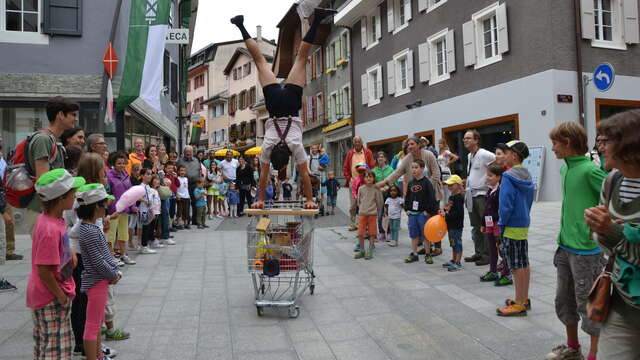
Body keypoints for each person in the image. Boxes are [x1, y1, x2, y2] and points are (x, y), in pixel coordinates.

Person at [231, 10, 336, 210]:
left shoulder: (295, 145)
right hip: (274, 105)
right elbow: (263, 176)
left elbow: (305, 175)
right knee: (260, 60)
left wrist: (309, 200)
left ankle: (319, 19)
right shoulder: (267, 147)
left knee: (301, 58)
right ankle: (240, 25)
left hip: (290, 105)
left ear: (288, 156)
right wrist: (260, 199)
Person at [545, 122, 607, 360]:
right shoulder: (565, 169)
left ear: (568, 142)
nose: (552, 149)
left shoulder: (590, 171)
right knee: (564, 300)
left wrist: (592, 228)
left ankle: (594, 354)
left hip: (586, 251)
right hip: (564, 247)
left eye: (555, 143)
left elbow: (612, 199)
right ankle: (573, 348)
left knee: (588, 304)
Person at [584, 110, 640, 359]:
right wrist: (604, 232)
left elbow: (611, 237)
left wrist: (613, 232)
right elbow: (603, 244)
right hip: (620, 303)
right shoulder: (613, 181)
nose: (599, 147)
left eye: (606, 141)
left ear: (630, 144)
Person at [27, 168, 85, 360]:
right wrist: (60, 296)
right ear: (60, 198)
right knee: (56, 350)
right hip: (51, 296)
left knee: (50, 343)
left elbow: (59, 252)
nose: (75, 196)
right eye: (72, 193)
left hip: (56, 291)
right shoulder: (49, 229)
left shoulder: (55, 220)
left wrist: (71, 254)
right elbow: (44, 270)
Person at [75, 184, 121, 360]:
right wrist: (113, 274)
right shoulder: (90, 230)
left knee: (97, 321)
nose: (107, 207)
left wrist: (114, 269)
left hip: (99, 280)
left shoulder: (91, 228)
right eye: (104, 204)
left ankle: (99, 355)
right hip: (96, 281)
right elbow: (97, 261)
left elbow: (103, 255)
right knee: (93, 325)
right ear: (96, 206)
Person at [26, 97, 79, 232]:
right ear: (60, 115)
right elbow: (44, 182)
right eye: (73, 114)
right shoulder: (43, 140)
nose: (76, 119)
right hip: (42, 210)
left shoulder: (53, 140)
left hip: (51, 211)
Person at [496, 140, 535, 317]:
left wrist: (501, 224)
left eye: (506, 152)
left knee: (516, 265)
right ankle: (523, 299)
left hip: (511, 224)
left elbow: (505, 205)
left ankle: (519, 304)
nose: (502, 155)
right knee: (524, 263)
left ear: (514, 155)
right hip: (523, 222)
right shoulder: (526, 174)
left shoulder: (508, 176)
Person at [463, 130, 496, 266]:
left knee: (486, 226)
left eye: (469, 138)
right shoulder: (470, 155)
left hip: (482, 195)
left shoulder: (484, 154)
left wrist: (490, 181)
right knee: (475, 226)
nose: (465, 140)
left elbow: (497, 160)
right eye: (464, 138)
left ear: (476, 140)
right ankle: (479, 252)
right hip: (471, 194)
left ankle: (488, 255)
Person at [402, 159, 439, 264]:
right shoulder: (410, 183)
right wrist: (407, 209)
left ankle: (428, 254)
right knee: (414, 235)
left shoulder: (427, 182)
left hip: (423, 213)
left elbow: (431, 198)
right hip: (412, 214)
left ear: (422, 169)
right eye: (412, 167)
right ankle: (414, 254)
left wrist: (428, 211)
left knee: (425, 235)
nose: (414, 170)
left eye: (416, 167)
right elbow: (407, 197)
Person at [106, 152, 137, 265]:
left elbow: (130, 192)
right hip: (113, 210)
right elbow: (107, 192)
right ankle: (111, 256)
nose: (122, 165)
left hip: (125, 210)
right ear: (113, 164)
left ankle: (123, 254)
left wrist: (133, 206)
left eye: (124, 163)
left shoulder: (126, 175)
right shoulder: (109, 176)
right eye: (119, 163)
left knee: (124, 234)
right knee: (111, 235)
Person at [479, 164, 507, 283]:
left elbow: (502, 209)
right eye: (487, 175)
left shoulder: (501, 191)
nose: (487, 177)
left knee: (501, 248)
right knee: (492, 248)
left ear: (499, 177)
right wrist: (483, 224)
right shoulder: (490, 190)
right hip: (489, 224)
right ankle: (493, 271)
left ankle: (507, 273)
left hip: (497, 224)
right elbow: (486, 209)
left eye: (490, 175)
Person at [344, 136, 376, 230]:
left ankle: (364, 224)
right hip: (353, 182)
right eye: (355, 142)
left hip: (365, 183)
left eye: (359, 141)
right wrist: (349, 178)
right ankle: (354, 223)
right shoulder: (350, 153)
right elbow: (345, 167)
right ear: (353, 143)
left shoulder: (367, 152)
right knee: (353, 205)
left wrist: (370, 179)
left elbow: (372, 166)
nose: (357, 143)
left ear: (362, 142)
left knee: (365, 203)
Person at [354, 170, 383, 260]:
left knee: (372, 233)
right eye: (366, 176)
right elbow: (358, 201)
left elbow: (379, 202)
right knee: (361, 233)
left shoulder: (376, 189)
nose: (368, 178)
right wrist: (361, 209)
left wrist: (378, 211)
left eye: (370, 177)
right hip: (362, 213)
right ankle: (362, 250)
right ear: (364, 178)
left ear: (373, 178)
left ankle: (370, 249)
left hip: (372, 214)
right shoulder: (361, 189)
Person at [440, 175, 465, 272]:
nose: (449, 187)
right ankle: (453, 260)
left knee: (457, 243)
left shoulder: (458, 198)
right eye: (448, 185)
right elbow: (449, 208)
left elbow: (458, 213)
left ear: (458, 185)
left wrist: (446, 216)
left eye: (451, 185)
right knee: (453, 243)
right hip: (450, 225)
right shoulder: (452, 197)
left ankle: (458, 262)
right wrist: (444, 211)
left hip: (456, 225)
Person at [177, 146, 204, 227]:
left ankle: (195, 220)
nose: (188, 153)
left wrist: (200, 182)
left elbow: (199, 171)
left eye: (190, 151)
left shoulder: (196, 160)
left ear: (193, 153)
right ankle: (186, 221)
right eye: (186, 152)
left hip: (195, 184)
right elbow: (177, 171)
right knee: (185, 203)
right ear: (184, 152)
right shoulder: (180, 161)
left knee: (195, 202)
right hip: (184, 185)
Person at [373, 151, 393, 242]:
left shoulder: (390, 169)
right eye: (378, 157)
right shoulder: (374, 170)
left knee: (389, 214)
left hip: (389, 195)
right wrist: (379, 189)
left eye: (382, 157)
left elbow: (394, 181)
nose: (380, 158)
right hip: (379, 195)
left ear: (385, 159)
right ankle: (381, 232)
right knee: (380, 215)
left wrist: (387, 187)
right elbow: (372, 183)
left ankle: (389, 232)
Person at [138, 168, 158, 254]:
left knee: (148, 227)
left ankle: (145, 245)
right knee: (145, 228)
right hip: (143, 210)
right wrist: (145, 201)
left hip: (148, 210)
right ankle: (144, 246)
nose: (150, 176)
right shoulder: (141, 186)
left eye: (150, 174)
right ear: (142, 176)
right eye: (147, 174)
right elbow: (136, 197)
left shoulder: (148, 186)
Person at [437, 139, 460, 205]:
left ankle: (449, 204)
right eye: (439, 143)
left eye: (441, 143)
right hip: (441, 172)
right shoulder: (440, 152)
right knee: (442, 190)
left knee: (447, 189)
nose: (439, 145)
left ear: (444, 144)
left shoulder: (446, 151)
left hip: (446, 171)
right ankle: (444, 205)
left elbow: (456, 157)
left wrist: (449, 163)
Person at [175, 165, 191, 229]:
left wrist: (188, 195)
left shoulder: (186, 179)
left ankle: (186, 223)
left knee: (186, 211)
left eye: (184, 171)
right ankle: (178, 223)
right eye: (181, 170)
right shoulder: (177, 178)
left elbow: (186, 188)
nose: (182, 172)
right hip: (180, 196)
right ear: (178, 171)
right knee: (179, 210)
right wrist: (177, 194)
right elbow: (176, 187)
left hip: (186, 196)